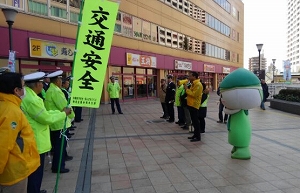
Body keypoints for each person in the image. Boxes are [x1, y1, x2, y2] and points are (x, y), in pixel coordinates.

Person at [21, 72, 72, 193]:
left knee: (35, 171)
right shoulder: (32, 99)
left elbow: (46, 113)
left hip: (33, 136)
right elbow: (46, 118)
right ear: (38, 84)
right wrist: (64, 113)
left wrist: (60, 113)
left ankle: (35, 190)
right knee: (36, 172)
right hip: (36, 139)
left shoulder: (27, 95)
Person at [0, 72, 40, 193]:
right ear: (16, 90)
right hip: (13, 171)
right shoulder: (11, 111)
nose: (25, 90)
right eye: (23, 86)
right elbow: (3, 145)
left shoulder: (6, 104)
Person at [44, 70, 75, 173]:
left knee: (58, 146)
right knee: (60, 147)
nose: (61, 81)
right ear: (57, 80)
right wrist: (72, 115)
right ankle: (58, 167)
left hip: (55, 122)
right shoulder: (56, 91)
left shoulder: (50, 90)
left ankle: (56, 166)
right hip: (59, 123)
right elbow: (64, 106)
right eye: (60, 79)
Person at [185, 71, 203, 142]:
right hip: (191, 104)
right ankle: (195, 135)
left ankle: (198, 137)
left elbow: (194, 94)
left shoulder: (198, 84)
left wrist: (186, 89)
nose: (189, 77)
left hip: (194, 105)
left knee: (196, 121)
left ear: (194, 77)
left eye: (190, 76)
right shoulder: (193, 84)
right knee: (194, 121)